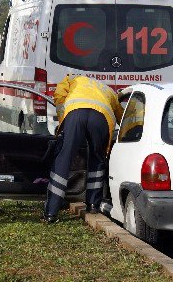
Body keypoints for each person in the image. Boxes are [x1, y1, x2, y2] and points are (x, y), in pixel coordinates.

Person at [43, 76, 124, 223]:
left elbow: (59, 95)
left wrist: (63, 121)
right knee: (97, 159)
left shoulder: (71, 79)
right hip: (101, 118)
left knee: (64, 158)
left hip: (75, 114)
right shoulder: (108, 90)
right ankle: (93, 204)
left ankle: (51, 212)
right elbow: (121, 116)